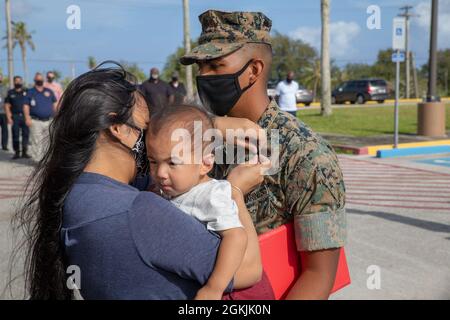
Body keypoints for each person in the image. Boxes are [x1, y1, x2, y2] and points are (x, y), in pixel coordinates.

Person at [12, 62, 272, 300]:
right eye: (146, 129)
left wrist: (204, 127)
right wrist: (234, 190)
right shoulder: (138, 211)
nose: (152, 143)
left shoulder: (78, 193)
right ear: (119, 128)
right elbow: (249, 270)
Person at [180, 10, 347, 300]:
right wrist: (212, 126)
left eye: (216, 66)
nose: (204, 76)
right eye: (200, 67)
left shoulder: (305, 153)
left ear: (254, 70)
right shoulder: (202, 136)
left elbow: (318, 275)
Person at [147, 104, 272, 300]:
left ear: (205, 164)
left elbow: (236, 237)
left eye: (172, 163)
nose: (160, 173)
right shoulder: (173, 190)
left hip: (234, 293)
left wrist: (214, 287)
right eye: (153, 162)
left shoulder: (211, 194)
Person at [26, 72, 58, 161]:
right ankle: (38, 161)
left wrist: (57, 116)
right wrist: (27, 118)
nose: (39, 80)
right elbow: (26, 106)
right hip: (36, 121)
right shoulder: (30, 92)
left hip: (48, 121)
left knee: (48, 141)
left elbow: (55, 104)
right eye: (38, 79)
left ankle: (46, 160)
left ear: (43, 80)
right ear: (35, 80)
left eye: (41, 79)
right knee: (36, 141)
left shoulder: (49, 91)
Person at [4, 76, 32, 159]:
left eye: (20, 81)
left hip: (25, 116)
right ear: (13, 82)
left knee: (25, 134)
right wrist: (9, 117)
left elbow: (30, 103)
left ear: (22, 82)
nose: (18, 82)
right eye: (16, 81)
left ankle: (24, 152)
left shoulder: (26, 91)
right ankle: (16, 152)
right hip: (15, 116)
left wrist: (29, 116)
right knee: (15, 134)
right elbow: (7, 105)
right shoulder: (10, 92)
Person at [0, 74, 9, 151]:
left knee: (5, 130)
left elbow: (8, 101)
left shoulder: (6, 88)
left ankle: (4, 145)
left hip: (3, 112)